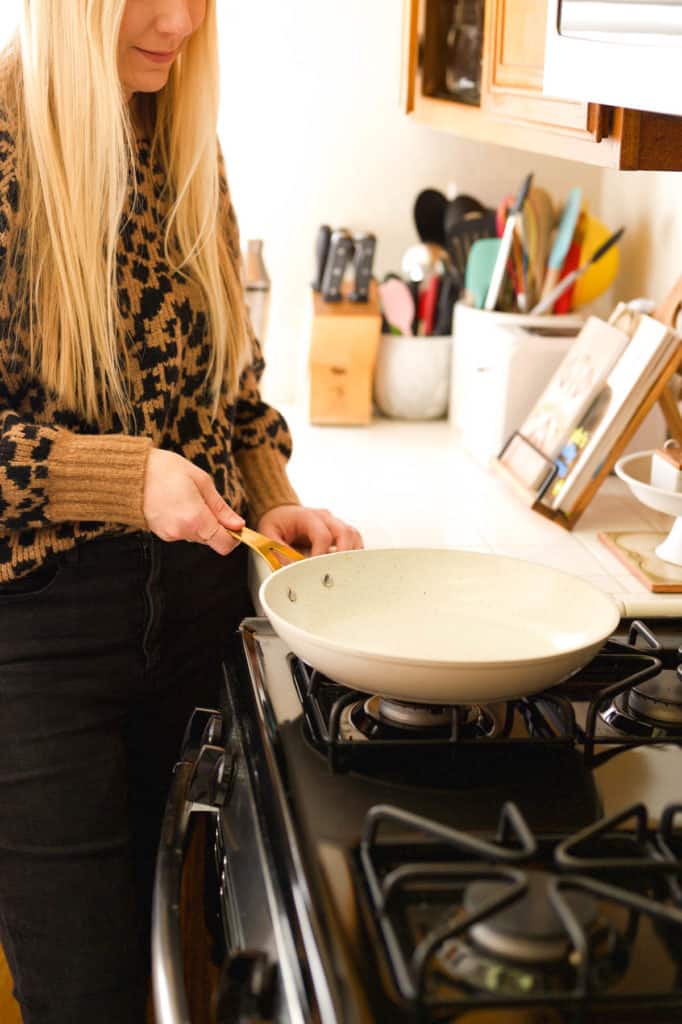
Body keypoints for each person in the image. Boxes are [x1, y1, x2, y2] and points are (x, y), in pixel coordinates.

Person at [0, 2, 362, 1022]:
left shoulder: (177, 135)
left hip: (203, 615)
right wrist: (123, 478)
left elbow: (228, 397)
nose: (183, 22)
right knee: (85, 993)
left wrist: (271, 505)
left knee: (198, 980)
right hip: (40, 639)